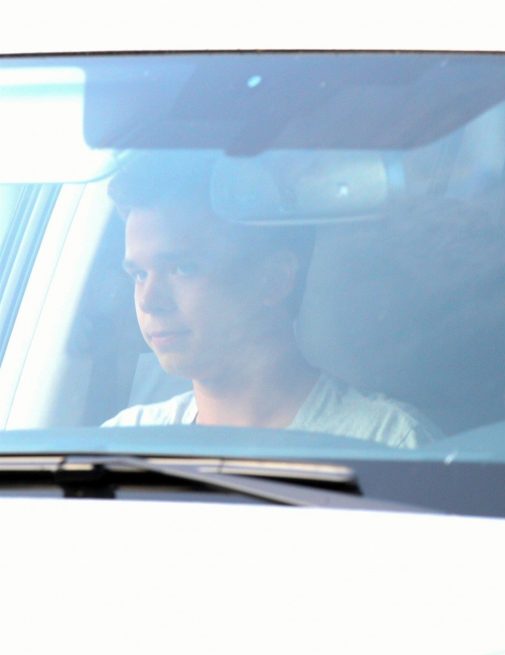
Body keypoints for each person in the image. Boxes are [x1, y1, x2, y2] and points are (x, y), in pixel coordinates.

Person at [101, 153, 441, 449]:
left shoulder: (385, 443)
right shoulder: (123, 441)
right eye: (139, 275)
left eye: (183, 269)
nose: (149, 301)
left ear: (275, 279)